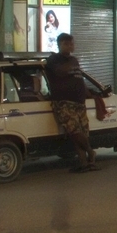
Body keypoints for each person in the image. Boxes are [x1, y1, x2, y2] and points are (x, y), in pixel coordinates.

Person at [44, 33, 100, 173]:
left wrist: (91, 93)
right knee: (74, 131)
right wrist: (71, 62)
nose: (70, 46)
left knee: (81, 132)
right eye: (66, 44)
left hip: (79, 101)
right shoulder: (54, 59)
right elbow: (60, 71)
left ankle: (84, 163)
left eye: (71, 44)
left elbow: (79, 78)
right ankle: (90, 151)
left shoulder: (74, 60)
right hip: (64, 102)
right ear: (59, 45)